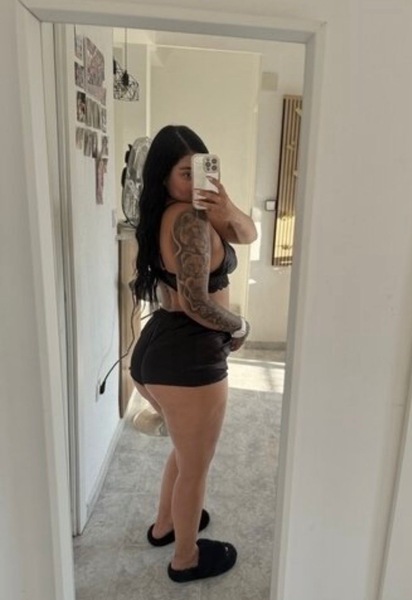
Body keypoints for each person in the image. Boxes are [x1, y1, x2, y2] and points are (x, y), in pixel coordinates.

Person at [129, 125, 257, 582]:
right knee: (196, 468)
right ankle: (186, 558)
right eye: (186, 173)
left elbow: (248, 234)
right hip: (189, 357)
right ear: (164, 176)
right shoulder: (187, 220)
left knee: (186, 455)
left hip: (162, 349)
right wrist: (240, 326)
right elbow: (197, 304)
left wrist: (227, 205)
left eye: (201, 169)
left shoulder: (181, 211)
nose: (195, 180)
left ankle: (166, 525)